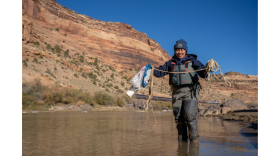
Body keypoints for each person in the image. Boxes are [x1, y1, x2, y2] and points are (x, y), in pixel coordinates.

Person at [153, 39, 207, 142]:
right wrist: (151, 70)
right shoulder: (170, 63)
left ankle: (194, 143)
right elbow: (160, 72)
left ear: (186, 51)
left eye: (182, 49)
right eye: (177, 50)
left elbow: (203, 72)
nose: (180, 52)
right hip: (176, 92)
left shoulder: (193, 61)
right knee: (179, 119)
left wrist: (207, 70)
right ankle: (182, 145)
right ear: (174, 51)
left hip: (191, 91)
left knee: (190, 116)